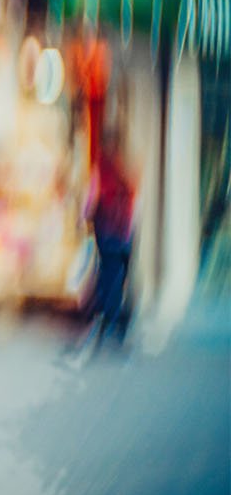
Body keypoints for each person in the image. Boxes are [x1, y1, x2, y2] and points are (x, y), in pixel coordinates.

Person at [72, 135, 135, 357]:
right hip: (124, 236)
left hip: (107, 234)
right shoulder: (126, 171)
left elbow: (91, 199)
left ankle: (104, 325)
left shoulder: (101, 170)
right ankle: (113, 325)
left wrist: (82, 220)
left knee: (106, 278)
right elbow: (133, 202)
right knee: (117, 280)